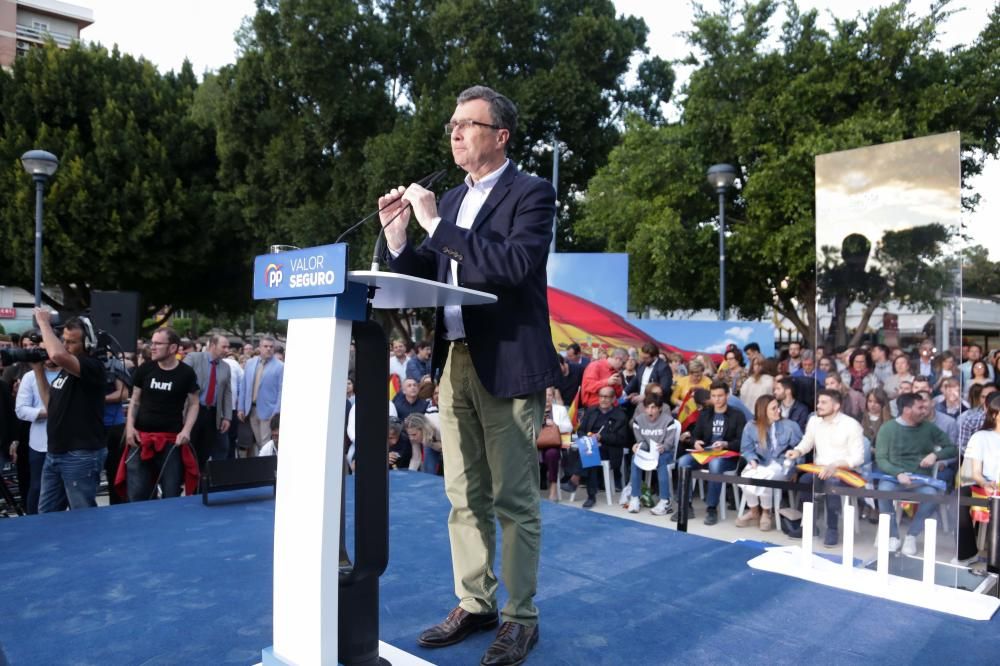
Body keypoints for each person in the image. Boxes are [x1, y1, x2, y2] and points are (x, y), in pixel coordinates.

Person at [380, 85, 558, 663]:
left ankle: (519, 616)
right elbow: (418, 275)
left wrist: (435, 224)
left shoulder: (532, 194)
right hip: (453, 359)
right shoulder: (450, 201)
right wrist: (399, 235)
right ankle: (475, 601)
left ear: (500, 135)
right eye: (452, 123)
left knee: (513, 499)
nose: (455, 132)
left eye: (468, 123)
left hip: (507, 361)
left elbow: (510, 266)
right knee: (462, 496)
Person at [29, 309, 107, 512]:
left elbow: (57, 354)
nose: (65, 345)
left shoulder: (92, 366)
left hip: (79, 455)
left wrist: (44, 323)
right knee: (47, 515)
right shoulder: (66, 372)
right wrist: (38, 370)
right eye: (64, 340)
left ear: (88, 344)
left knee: (82, 516)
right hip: (55, 452)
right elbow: (50, 406)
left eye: (71, 342)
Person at [874, 392, 957, 555]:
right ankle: (893, 536)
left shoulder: (929, 428)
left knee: (932, 495)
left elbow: (952, 448)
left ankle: (912, 535)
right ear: (906, 410)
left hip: (921, 479)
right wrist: (898, 473)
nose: (924, 411)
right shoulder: (887, 428)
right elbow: (881, 459)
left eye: (924, 407)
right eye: (920, 407)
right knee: (882, 492)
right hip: (893, 478)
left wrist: (935, 455)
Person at [124, 328, 200, 501]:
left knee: (171, 492)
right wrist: (129, 429)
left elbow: (194, 404)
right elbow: (135, 401)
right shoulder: (145, 369)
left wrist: (186, 430)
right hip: (141, 439)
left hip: (171, 441)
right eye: (152, 342)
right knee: (137, 493)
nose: (152, 347)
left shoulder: (186, 373)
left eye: (158, 343)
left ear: (173, 348)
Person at [785, 390, 865, 547]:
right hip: (820, 468)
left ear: (836, 406)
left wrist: (834, 465)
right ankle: (808, 526)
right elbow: (807, 442)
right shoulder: (814, 421)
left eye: (823, 403)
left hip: (844, 472)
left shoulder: (851, 425)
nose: (818, 406)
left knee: (832, 483)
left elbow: (858, 458)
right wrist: (798, 451)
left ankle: (832, 528)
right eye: (818, 402)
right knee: (805, 480)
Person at [673, 381, 748, 526]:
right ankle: (685, 506)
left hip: (728, 455)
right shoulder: (705, 414)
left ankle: (711, 508)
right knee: (683, 461)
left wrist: (725, 444)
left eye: (720, 396)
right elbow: (695, 435)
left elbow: (742, 442)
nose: (717, 399)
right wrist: (695, 442)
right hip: (706, 453)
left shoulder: (737, 415)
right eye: (714, 396)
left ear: (727, 395)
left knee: (716, 463)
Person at [735, 395, 802, 530]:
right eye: (774, 408)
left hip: (782, 464)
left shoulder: (790, 426)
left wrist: (796, 469)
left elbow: (800, 449)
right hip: (761, 461)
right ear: (763, 410)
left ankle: (766, 512)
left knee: (767, 476)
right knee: (745, 476)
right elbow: (746, 449)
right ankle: (754, 511)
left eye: (778, 407)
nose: (779, 411)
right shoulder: (751, 426)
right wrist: (752, 459)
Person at [14, 356, 62, 513]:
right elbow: (21, 410)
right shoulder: (29, 377)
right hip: (39, 444)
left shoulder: (70, 373)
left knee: (65, 490)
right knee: (37, 487)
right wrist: (47, 413)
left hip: (67, 443)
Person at [956, 393, 1000, 564]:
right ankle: (967, 552)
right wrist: (985, 483)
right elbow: (976, 473)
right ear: (994, 414)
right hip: (985, 484)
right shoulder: (981, 437)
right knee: (959, 496)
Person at [626, 393, 680, 516]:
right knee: (635, 458)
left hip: (665, 453)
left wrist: (662, 447)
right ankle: (635, 497)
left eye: (654, 407)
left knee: (660, 460)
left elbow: (669, 444)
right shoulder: (638, 421)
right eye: (648, 407)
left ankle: (665, 501)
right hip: (647, 453)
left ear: (660, 408)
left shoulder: (669, 421)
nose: (650, 411)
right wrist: (637, 446)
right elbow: (641, 442)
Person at [184, 334, 233, 465]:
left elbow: (227, 393)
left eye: (228, 347)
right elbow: (180, 381)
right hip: (191, 412)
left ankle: (199, 480)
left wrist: (227, 417)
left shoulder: (226, 367)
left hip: (212, 413)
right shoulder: (193, 358)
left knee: (204, 451)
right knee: (188, 448)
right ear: (212, 346)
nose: (227, 350)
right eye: (224, 347)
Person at [238, 336, 283, 457]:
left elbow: (281, 391)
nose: (268, 349)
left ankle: (267, 470)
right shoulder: (250, 363)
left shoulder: (280, 366)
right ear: (260, 347)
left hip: (269, 411)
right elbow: (244, 387)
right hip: (251, 409)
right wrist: (241, 407)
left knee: (266, 443)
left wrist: (276, 411)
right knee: (258, 442)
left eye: (271, 347)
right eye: (266, 346)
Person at [539, 387, 572, 501]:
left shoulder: (560, 409)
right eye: (543, 395)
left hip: (552, 443)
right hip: (535, 444)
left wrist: (554, 424)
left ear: (553, 397)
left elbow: (569, 427)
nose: (546, 398)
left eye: (549, 395)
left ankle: (553, 488)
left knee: (552, 454)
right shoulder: (533, 409)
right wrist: (541, 422)